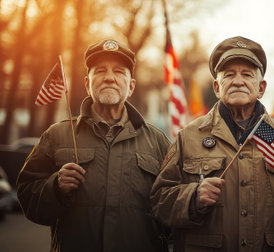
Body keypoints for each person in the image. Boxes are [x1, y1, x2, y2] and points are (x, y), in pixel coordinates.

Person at [150, 36, 274, 251]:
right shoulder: (189, 136)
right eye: (229, 75)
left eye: (247, 75)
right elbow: (159, 202)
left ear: (261, 88)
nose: (238, 81)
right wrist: (193, 197)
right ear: (217, 87)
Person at [16, 39, 171, 252]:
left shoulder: (158, 141)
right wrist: (55, 187)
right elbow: (26, 195)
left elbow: (173, 209)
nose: (109, 77)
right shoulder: (56, 135)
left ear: (131, 86)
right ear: (88, 84)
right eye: (100, 71)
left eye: (119, 71)